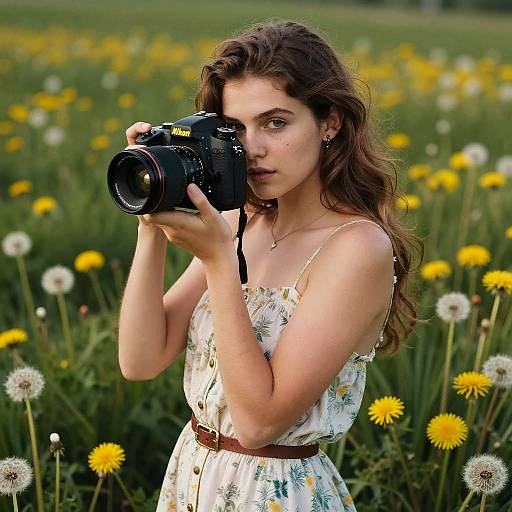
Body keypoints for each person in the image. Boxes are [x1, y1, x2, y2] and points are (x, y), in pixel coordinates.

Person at [118, 20, 423, 511]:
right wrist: (151, 218)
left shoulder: (356, 248)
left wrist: (220, 263)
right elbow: (140, 359)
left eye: (276, 122)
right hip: (193, 482)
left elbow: (260, 424)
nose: (253, 148)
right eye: (235, 129)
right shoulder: (242, 223)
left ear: (330, 122)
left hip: (275, 495)